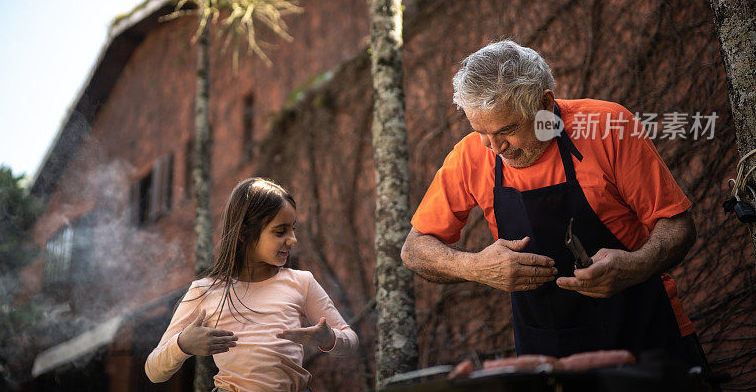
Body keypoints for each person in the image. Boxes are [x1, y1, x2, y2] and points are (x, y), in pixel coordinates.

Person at [401, 40, 707, 365]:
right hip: (546, 355)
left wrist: (638, 265)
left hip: (645, 337)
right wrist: (474, 267)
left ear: (545, 103)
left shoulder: (607, 126)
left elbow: (678, 225)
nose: (495, 146)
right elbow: (415, 248)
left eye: (507, 129)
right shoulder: (470, 156)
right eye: (481, 132)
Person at [145, 177, 358, 391]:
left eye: (293, 229)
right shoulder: (205, 290)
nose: (293, 239)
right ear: (245, 232)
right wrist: (182, 344)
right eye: (280, 231)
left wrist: (329, 338)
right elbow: (153, 370)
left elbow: (351, 341)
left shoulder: (302, 282)